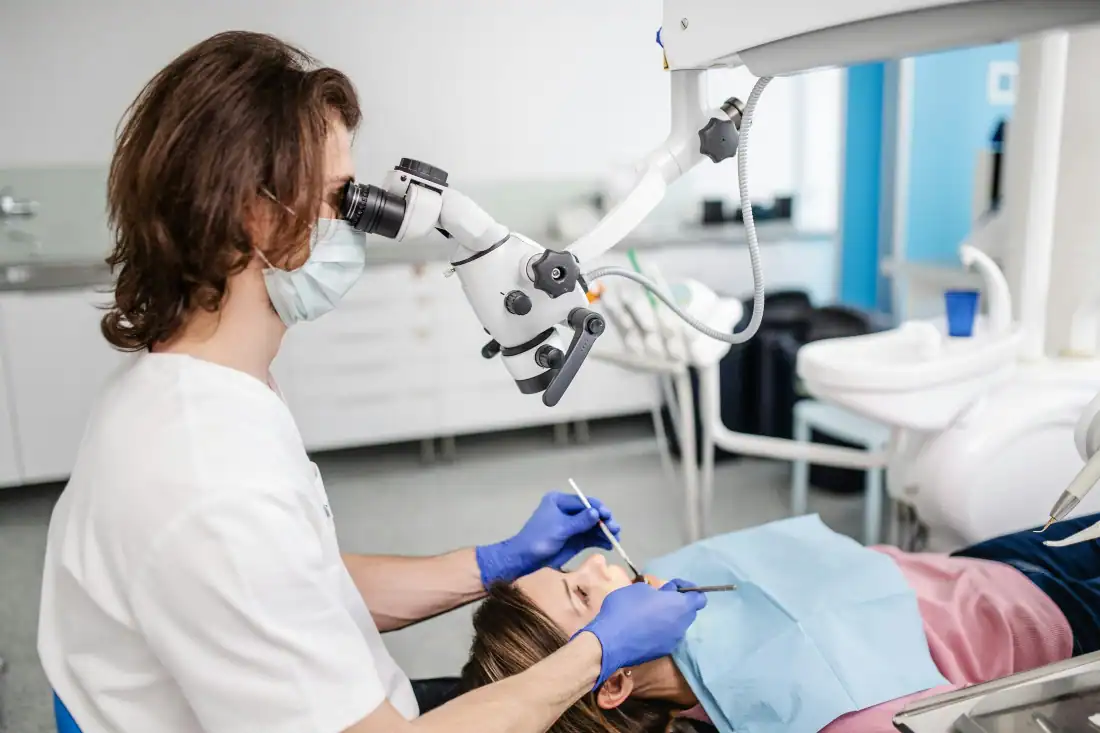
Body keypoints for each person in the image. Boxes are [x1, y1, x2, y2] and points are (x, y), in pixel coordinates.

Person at [36, 31, 707, 733]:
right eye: (338, 198)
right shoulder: (208, 480)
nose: (355, 224)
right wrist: (596, 653)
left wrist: (494, 562)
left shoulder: (209, 388)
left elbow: (306, 587)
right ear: (256, 215)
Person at [460, 512, 1100, 733]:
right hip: (1058, 615)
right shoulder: (819, 713)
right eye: (579, 591)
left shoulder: (668, 581)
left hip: (982, 563)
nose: (599, 561)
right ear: (611, 681)